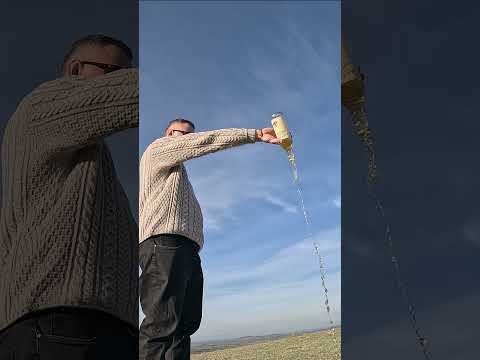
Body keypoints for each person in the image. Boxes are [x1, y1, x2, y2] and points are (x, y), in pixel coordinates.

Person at [0, 34, 139, 359]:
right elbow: (134, 94)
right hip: (63, 327)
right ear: (75, 70)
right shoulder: (42, 105)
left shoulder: (88, 158)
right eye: (114, 73)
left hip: (79, 327)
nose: (121, 82)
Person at [139, 118, 281, 359]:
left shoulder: (178, 175)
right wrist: (255, 134)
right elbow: (206, 141)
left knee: (185, 325)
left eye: (190, 134)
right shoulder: (157, 149)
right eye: (182, 134)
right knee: (161, 325)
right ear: (168, 134)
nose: (188, 139)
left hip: (185, 249)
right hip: (164, 244)